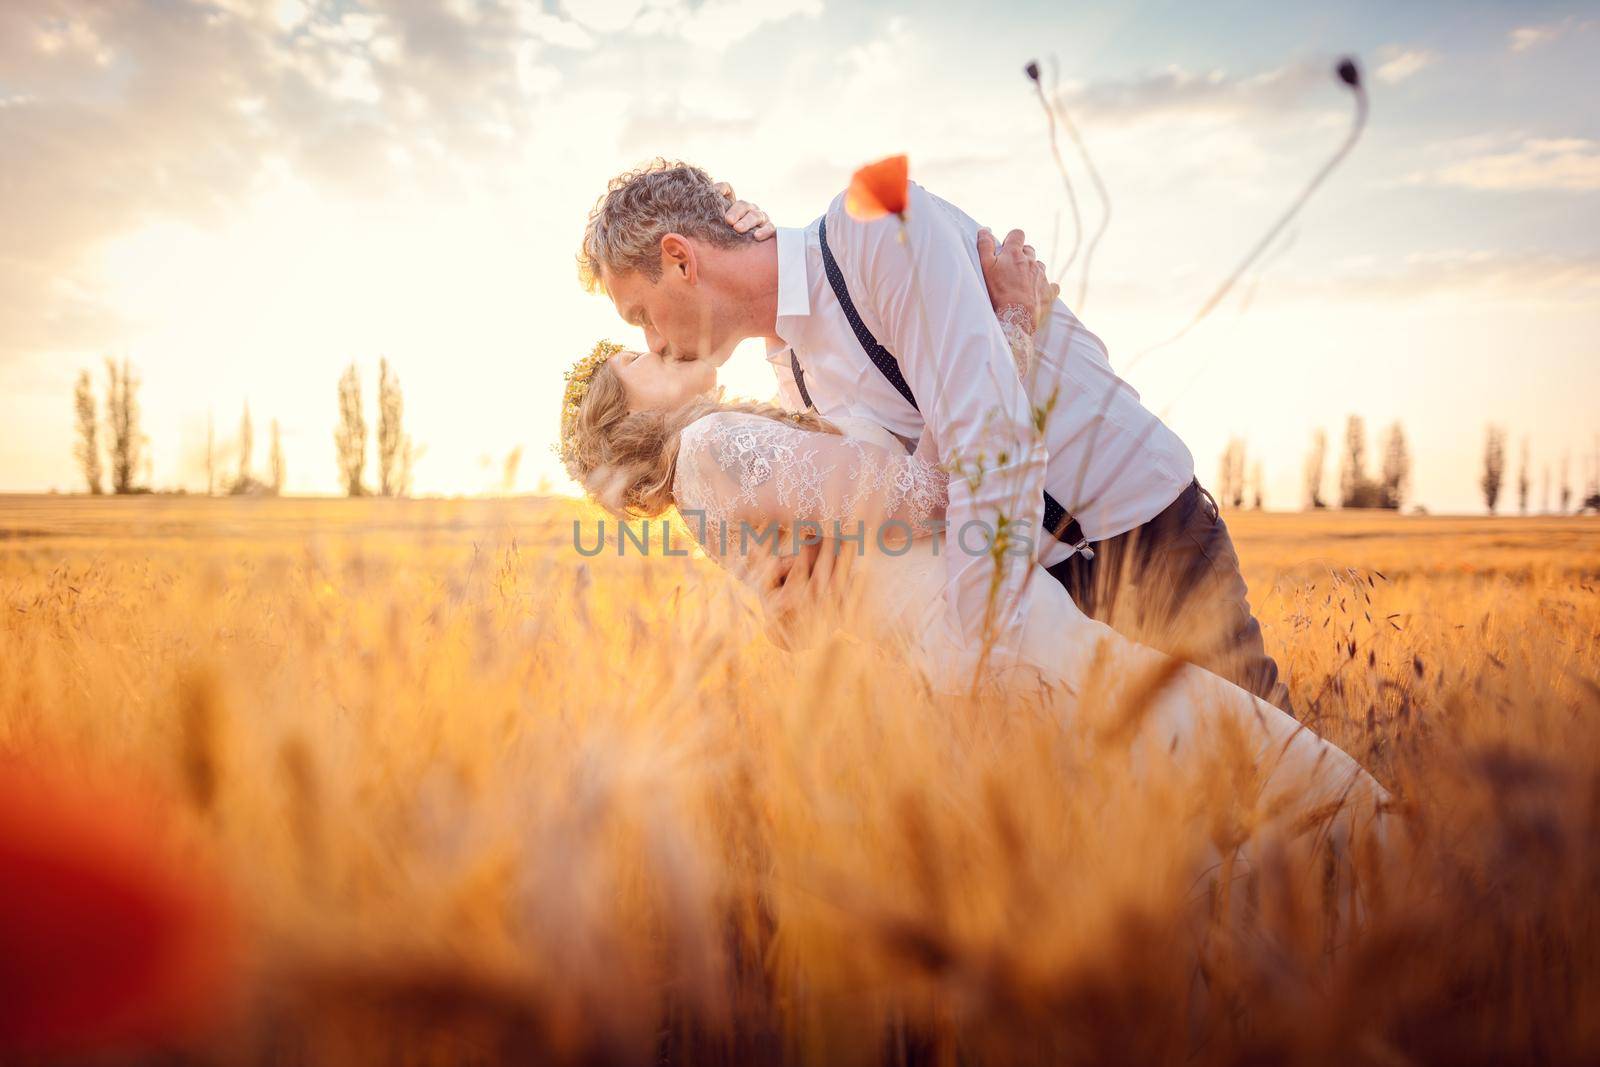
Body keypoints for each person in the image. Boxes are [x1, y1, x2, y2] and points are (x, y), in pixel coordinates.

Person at [577, 160, 1293, 714]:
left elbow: (990, 441)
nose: (653, 340)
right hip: (1043, 594)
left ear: (679, 257)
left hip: (1147, 534)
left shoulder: (873, 220)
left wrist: (979, 658)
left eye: (641, 312)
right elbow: (910, 511)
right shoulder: (789, 380)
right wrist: (793, 605)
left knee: (1278, 796)